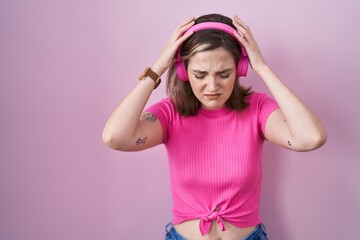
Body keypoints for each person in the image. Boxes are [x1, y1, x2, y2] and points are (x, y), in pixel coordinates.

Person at [102, 13, 327, 240]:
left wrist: (262, 67)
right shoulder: (170, 113)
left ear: (240, 68)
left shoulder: (257, 109)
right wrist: (159, 66)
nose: (212, 86)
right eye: (200, 74)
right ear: (183, 71)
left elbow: (311, 138)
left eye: (224, 74)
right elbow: (115, 137)